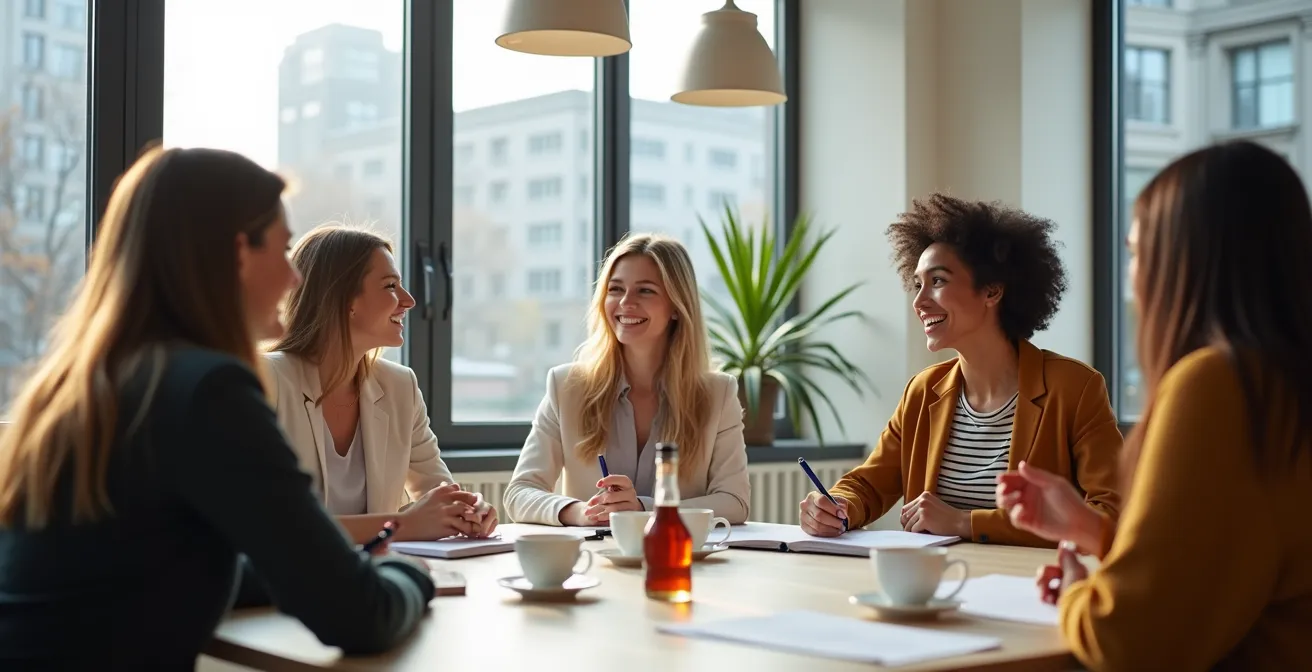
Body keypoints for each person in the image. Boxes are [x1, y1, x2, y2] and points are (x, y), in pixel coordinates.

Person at [0, 147, 434, 668]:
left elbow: (167, 564)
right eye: (283, 250)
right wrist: (412, 575)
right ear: (238, 254)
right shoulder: (209, 390)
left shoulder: (93, 381)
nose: (295, 280)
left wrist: (310, 567)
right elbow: (359, 616)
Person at [997, 141, 1312, 671]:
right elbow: (1239, 565)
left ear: (1185, 263)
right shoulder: (1283, 382)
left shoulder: (1217, 385)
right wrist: (1095, 531)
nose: (1135, 275)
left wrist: (1080, 592)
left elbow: (1128, 642)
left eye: (1138, 252)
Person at [800, 194, 1122, 549]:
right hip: (934, 583)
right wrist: (836, 505)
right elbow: (870, 483)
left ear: (992, 290)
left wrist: (963, 522)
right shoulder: (924, 391)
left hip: (1029, 588)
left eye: (937, 281)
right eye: (917, 283)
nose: (919, 301)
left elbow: (1110, 513)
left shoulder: (1075, 388)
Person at [266, 225, 497, 543]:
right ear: (344, 298)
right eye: (391, 286)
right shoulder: (269, 380)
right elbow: (271, 524)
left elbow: (437, 491)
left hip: (376, 577)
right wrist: (402, 525)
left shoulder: (399, 386)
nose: (410, 301)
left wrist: (468, 511)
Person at [504, 233, 749, 526]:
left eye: (645, 291)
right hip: (595, 562)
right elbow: (519, 493)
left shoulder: (718, 394)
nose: (625, 302)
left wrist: (643, 510)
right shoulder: (565, 386)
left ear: (676, 306)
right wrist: (580, 512)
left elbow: (734, 502)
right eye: (615, 289)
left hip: (680, 560)